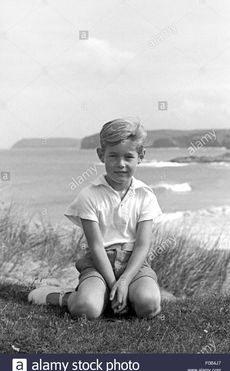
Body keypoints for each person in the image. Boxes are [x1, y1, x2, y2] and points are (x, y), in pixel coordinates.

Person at [28, 118, 162, 319]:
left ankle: (118, 297)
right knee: (86, 309)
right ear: (101, 155)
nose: (121, 164)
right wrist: (112, 283)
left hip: (134, 265)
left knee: (149, 305)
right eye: (113, 156)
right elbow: (97, 246)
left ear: (141, 156)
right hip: (98, 264)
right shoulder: (89, 195)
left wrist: (124, 281)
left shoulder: (146, 195)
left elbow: (143, 246)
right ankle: (64, 297)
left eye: (128, 157)